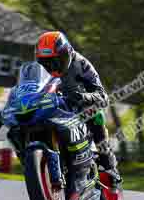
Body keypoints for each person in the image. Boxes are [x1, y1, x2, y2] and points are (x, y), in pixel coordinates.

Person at [34, 31, 122, 185]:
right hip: (54, 106)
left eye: (55, 61)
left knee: (95, 115)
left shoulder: (81, 64)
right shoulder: (39, 71)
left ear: (66, 53)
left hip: (81, 108)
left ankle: (109, 165)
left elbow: (103, 96)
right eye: (46, 62)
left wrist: (84, 97)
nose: (51, 66)